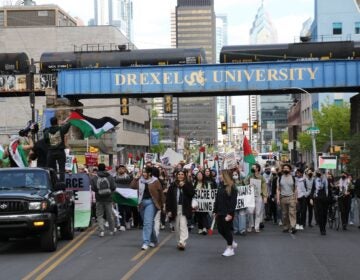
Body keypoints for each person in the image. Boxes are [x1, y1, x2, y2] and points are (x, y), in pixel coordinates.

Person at [131, 166, 163, 250]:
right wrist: (135, 178)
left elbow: (161, 193)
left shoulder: (155, 181)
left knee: (147, 223)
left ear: (150, 173)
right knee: (149, 223)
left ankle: (146, 242)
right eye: (143, 172)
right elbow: (132, 187)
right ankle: (154, 240)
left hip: (151, 203)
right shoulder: (140, 180)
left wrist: (163, 205)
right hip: (141, 203)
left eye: (145, 172)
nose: (143, 174)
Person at [166, 169, 195, 250]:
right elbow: (168, 198)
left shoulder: (188, 184)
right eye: (179, 174)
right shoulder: (173, 185)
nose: (180, 176)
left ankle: (182, 241)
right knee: (176, 227)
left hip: (184, 208)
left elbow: (191, 194)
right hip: (175, 208)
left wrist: (184, 186)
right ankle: (179, 241)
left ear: (184, 176)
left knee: (183, 225)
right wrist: (168, 210)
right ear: (176, 175)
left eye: (182, 174)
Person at [214, 170, 238, 257]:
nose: (219, 175)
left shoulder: (232, 187)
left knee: (227, 230)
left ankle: (230, 248)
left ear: (225, 176)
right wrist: (215, 211)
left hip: (227, 212)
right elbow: (217, 199)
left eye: (221, 174)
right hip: (220, 211)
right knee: (220, 229)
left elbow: (233, 202)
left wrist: (230, 214)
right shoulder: (220, 185)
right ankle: (231, 241)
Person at [91, 163, 116, 237]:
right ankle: (112, 230)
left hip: (99, 198)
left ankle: (101, 230)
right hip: (108, 198)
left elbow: (93, 188)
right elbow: (113, 187)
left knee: (99, 215)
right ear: (105, 168)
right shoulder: (109, 176)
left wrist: (98, 191)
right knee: (110, 214)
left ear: (98, 169)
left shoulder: (95, 178)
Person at [43, 116, 71, 181]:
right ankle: (62, 183)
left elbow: (45, 140)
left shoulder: (47, 131)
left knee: (51, 169)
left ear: (50, 123)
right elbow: (69, 124)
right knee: (62, 169)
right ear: (57, 122)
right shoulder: (61, 129)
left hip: (51, 152)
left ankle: (53, 181)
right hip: (60, 151)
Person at [245, 163, 267, 233]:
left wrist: (265, 196)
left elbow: (264, 187)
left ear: (257, 168)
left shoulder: (261, 177)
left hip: (259, 196)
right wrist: (248, 184)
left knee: (258, 212)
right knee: (250, 212)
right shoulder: (250, 176)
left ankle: (256, 227)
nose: (252, 168)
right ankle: (250, 225)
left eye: (253, 167)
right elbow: (244, 182)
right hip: (250, 196)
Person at [276, 163, 297, 234]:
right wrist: (278, 199)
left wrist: (296, 198)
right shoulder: (280, 178)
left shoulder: (293, 178)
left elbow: (295, 189)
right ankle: (286, 226)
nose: (285, 169)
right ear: (282, 169)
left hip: (291, 197)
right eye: (284, 168)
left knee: (292, 212)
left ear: (290, 170)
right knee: (285, 214)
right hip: (283, 197)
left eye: (287, 168)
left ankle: (293, 226)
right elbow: (278, 189)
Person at [310, 170, 331, 235]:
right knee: (320, 214)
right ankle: (321, 229)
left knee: (324, 214)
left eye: (321, 173)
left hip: (325, 199)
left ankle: (324, 228)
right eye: (319, 173)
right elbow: (313, 189)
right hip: (317, 198)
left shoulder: (326, 180)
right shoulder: (315, 180)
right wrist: (311, 198)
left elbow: (329, 190)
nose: (320, 174)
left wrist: (329, 198)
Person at [114, 164, 133, 231]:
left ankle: (127, 221)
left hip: (127, 197)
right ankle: (122, 225)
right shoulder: (115, 178)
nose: (121, 170)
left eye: (122, 168)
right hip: (119, 196)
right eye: (119, 169)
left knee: (128, 211)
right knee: (120, 211)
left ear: (125, 170)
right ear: (118, 170)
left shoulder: (129, 177)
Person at [193, 170, 210, 235]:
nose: (199, 176)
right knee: (198, 215)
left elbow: (209, 191)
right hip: (197, 202)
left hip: (204, 202)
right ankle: (200, 228)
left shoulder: (206, 183)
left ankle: (204, 228)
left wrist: (204, 190)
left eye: (200, 175)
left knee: (204, 215)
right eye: (198, 175)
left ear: (203, 176)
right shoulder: (195, 183)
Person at [232, 170, 247, 236]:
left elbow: (244, 177)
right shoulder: (230, 183)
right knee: (235, 215)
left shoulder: (242, 182)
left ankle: (242, 230)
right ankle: (236, 230)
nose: (234, 176)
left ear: (238, 175)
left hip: (241, 201)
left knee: (242, 215)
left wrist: (239, 169)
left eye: (236, 174)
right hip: (233, 201)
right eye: (233, 174)